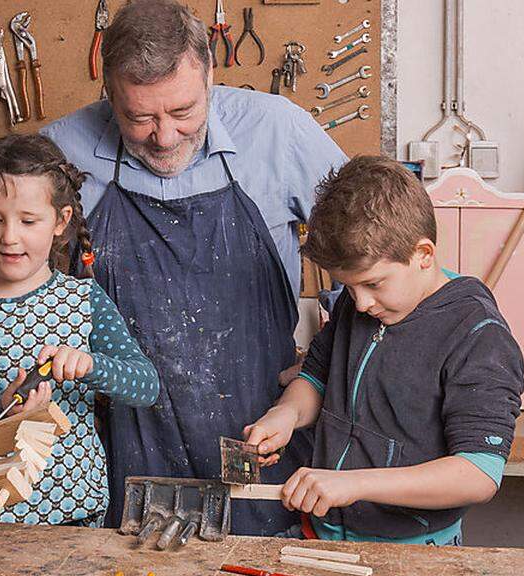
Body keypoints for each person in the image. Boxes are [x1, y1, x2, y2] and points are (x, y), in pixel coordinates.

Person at [41, 0, 348, 532]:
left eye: (183, 112)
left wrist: (329, 365)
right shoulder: (60, 149)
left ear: (210, 74)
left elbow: (376, 255)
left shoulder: (279, 133)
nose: (163, 137)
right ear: (108, 95)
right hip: (117, 440)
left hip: (257, 427)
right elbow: (3, 284)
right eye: (139, 118)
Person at [244, 156, 524, 545]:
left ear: (423, 254)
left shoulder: (476, 334)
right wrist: (286, 414)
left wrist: (353, 484)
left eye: (374, 284)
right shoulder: (360, 303)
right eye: (349, 287)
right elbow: (316, 377)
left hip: (413, 553)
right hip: (323, 536)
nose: (359, 303)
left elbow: (477, 474)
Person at [0, 134, 160, 525]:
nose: (10, 237)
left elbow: (146, 386)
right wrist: (1, 407)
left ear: (61, 221)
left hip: (79, 513)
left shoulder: (83, 299)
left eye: (28, 220)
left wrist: (90, 365)